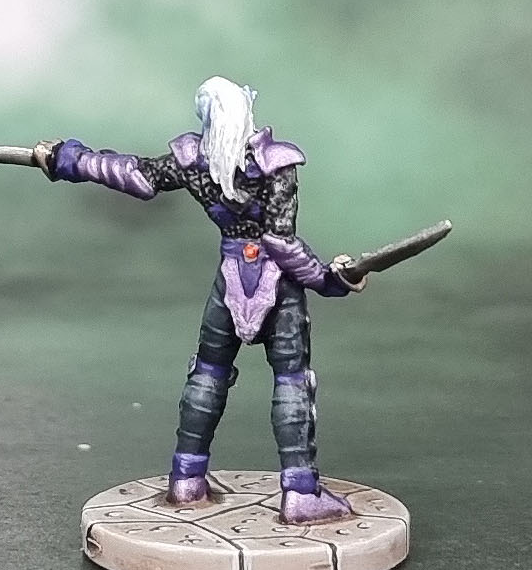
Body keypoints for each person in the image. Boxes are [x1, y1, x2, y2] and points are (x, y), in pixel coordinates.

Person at [36, 76, 363, 523]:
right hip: (278, 284)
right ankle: (301, 493)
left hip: (230, 280)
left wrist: (68, 159)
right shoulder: (275, 165)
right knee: (290, 380)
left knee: (208, 372)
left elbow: (135, 174)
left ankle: (187, 480)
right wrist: (326, 279)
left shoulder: (194, 163)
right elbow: (279, 242)